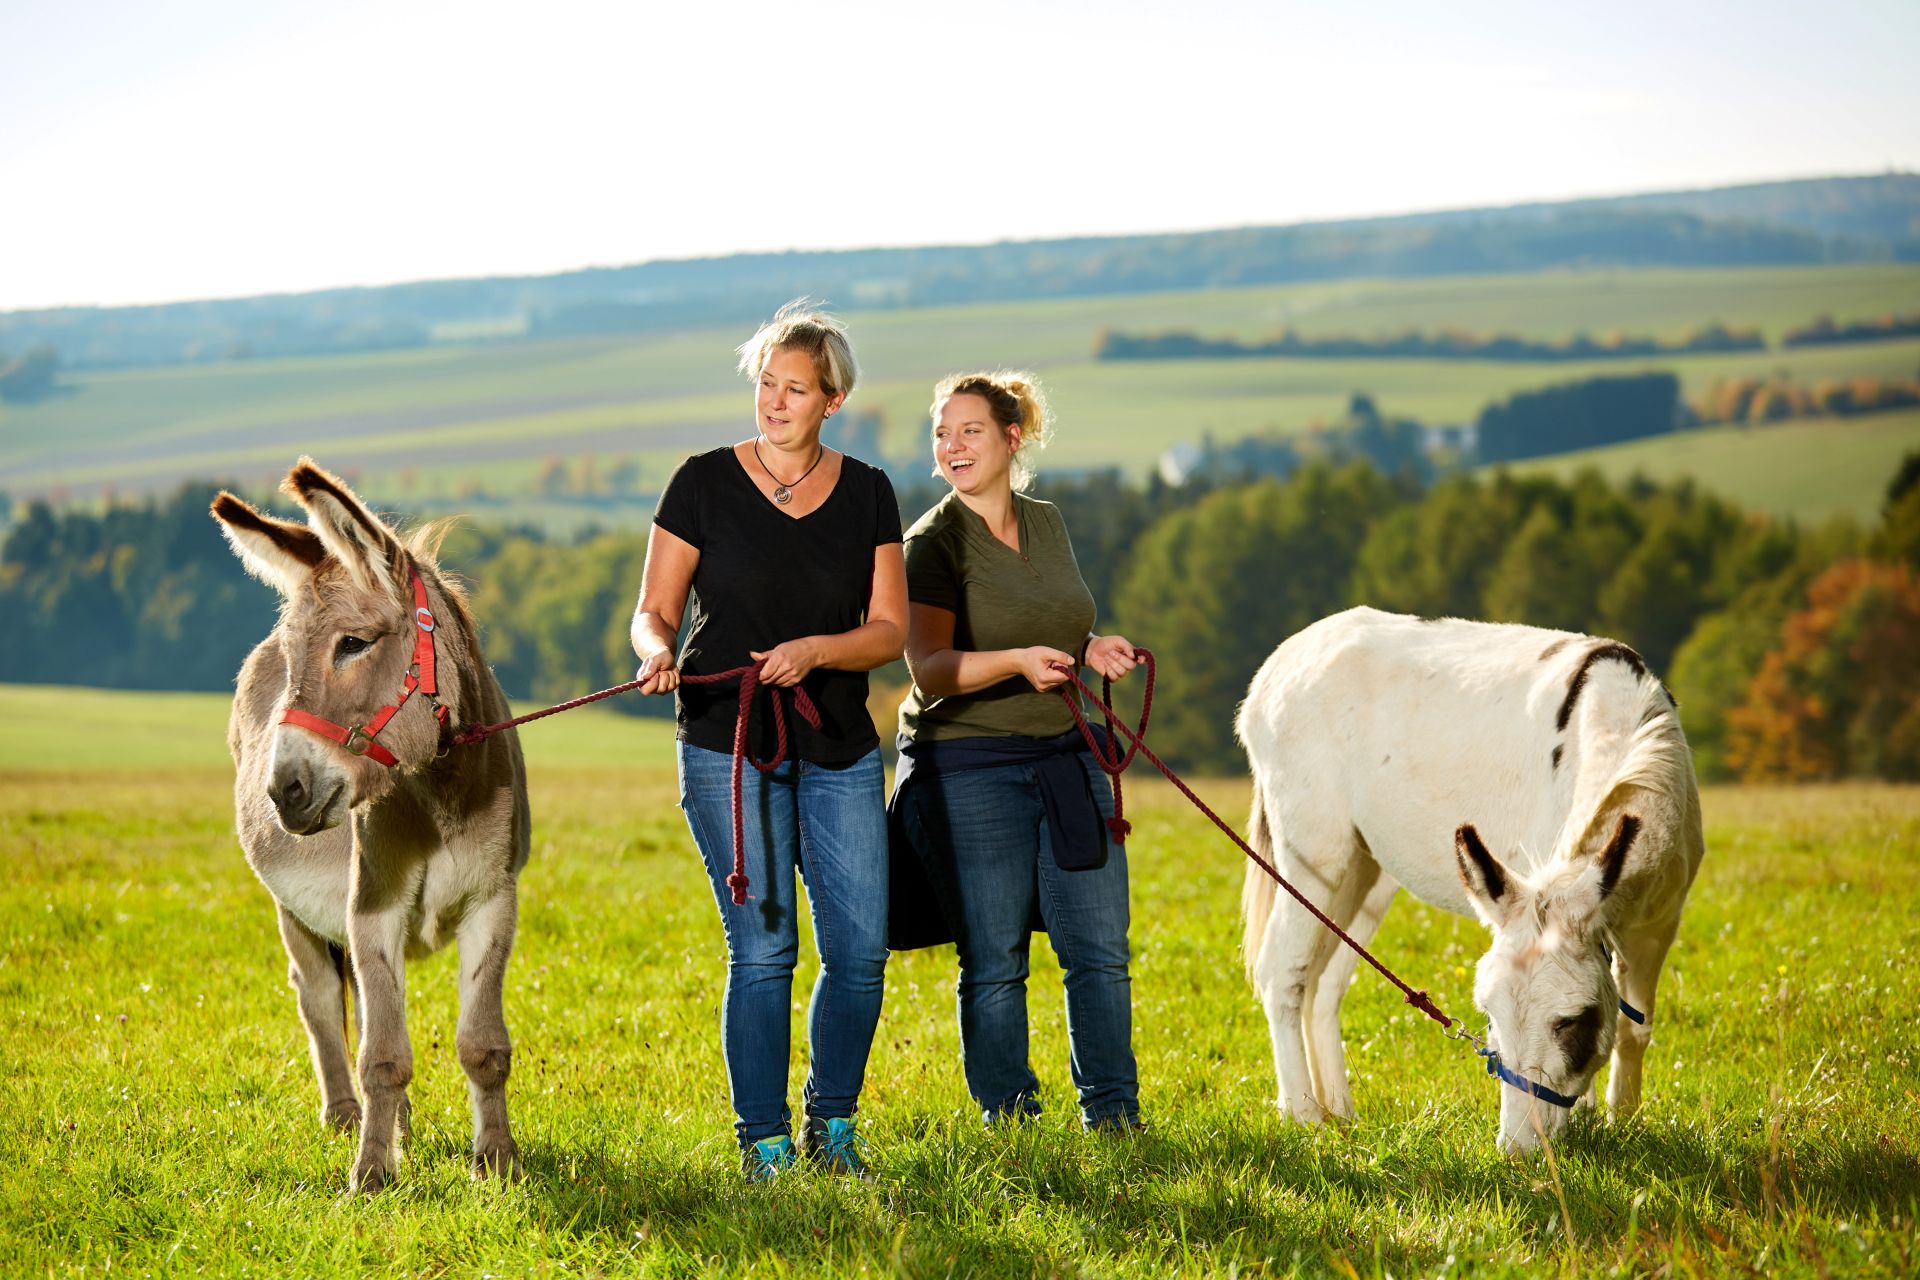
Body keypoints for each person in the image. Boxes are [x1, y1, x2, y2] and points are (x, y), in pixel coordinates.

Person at [629, 300, 907, 1180]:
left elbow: (889, 630)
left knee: (859, 952)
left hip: (839, 745)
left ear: (833, 401)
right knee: (762, 949)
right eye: (767, 384)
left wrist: (817, 652)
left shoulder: (869, 492)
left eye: (796, 389)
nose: (775, 401)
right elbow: (653, 610)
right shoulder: (701, 482)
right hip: (726, 740)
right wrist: (655, 651)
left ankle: (833, 1126)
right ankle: (765, 1143)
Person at [890, 370, 1145, 1131]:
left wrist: (1089, 647)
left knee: (1099, 946)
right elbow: (930, 670)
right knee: (995, 958)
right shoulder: (932, 543)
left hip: (1064, 753)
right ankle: (1011, 1120)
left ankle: (1115, 1115)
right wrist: (1016, 662)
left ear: (1011, 437)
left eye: (970, 430)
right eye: (942, 433)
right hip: (968, 766)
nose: (953, 446)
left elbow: (1054, 616)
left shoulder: (1047, 523)